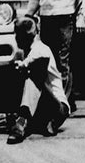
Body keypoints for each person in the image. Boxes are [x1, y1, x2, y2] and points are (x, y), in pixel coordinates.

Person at [7, 16, 70, 144]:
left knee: (34, 76)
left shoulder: (41, 48)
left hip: (57, 107)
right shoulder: (27, 51)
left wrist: (24, 64)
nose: (16, 40)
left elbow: (39, 60)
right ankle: (27, 120)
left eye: (19, 36)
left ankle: (22, 121)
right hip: (40, 106)